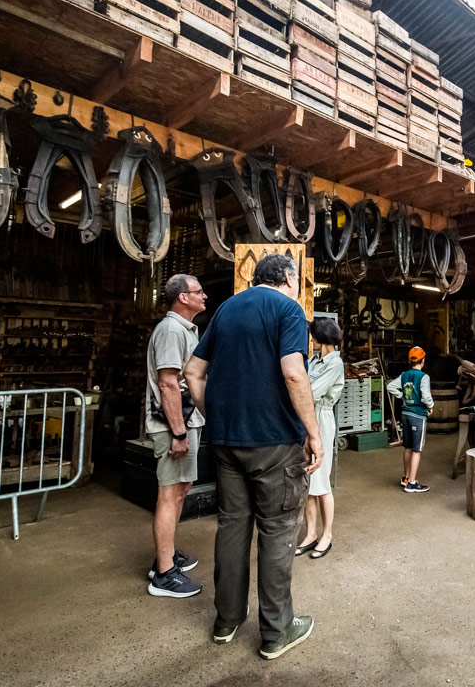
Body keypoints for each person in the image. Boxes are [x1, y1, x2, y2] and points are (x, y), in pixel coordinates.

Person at [184, 254, 323, 661]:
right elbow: (294, 372)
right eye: (297, 280)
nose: (299, 285)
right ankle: (277, 631)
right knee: (278, 531)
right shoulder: (288, 309)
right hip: (275, 442)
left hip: (227, 442)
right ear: (286, 277)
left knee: (231, 527)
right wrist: (314, 434)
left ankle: (226, 621)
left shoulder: (226, 309)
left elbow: (192, 372)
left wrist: (216, 415)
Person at [144, 274, 207, 598]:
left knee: (181, 490)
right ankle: (164, 574)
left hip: (184, 422)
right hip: (174, 426)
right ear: (182, 297)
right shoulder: (170, 330)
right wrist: (178, 432)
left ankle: (165, 557)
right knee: (170, 494)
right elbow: (168, 383)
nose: (205, 296)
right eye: (198, 292)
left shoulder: (184, 330)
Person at [296, 317, 345, 560]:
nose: (311, 339)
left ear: (321, 337)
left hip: (321, 419)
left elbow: (311, 392)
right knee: (309, 483)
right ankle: (310, 534)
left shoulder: (335, 364)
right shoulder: (315, 360)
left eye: (313, 335)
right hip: (307, 417)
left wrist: (296, 387)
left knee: (322, 482)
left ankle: (327, 535)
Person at [387, 346, 434, 493]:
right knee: (416, 450)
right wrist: (431, 406)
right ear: (423, 361)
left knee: (407, 446)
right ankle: (412, 483)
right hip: (418, 415)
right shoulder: (424, 377)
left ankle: (406, 477)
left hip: (405, 414)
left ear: (409, 360)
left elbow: (390, 386)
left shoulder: (404, 375)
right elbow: (426, 396)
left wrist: (403, 397)